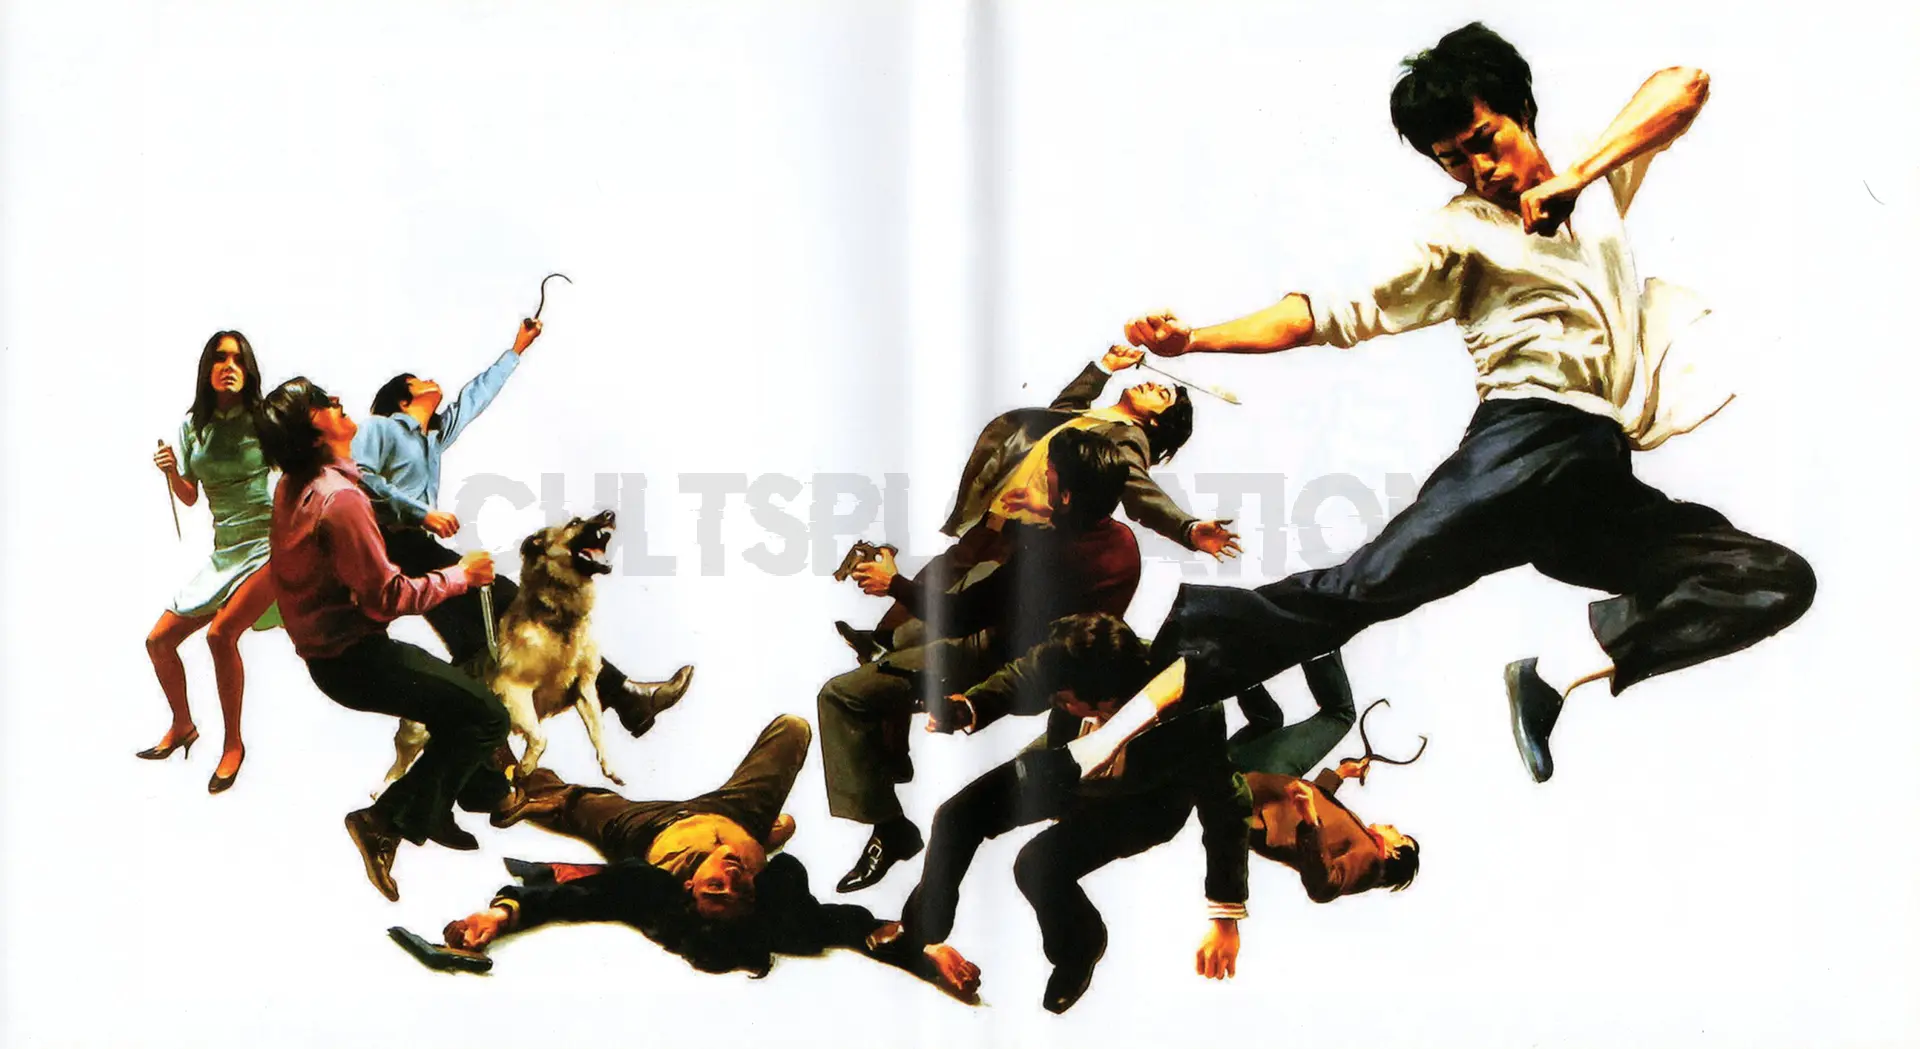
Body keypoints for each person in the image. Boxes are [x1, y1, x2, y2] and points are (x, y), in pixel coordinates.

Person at [1113, 23, 1815, 781]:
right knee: (1361, 590)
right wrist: (1196, 339)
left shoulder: (1595, 179)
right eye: (1455, 160)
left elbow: (1686, 84)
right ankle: (1130, 695)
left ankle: (1552, 675)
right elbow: (1324, 314)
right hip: (1522, 446)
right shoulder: (1457, 234)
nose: (1482, 170)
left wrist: (1578, 177)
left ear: (1523, 112)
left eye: (1487, 141)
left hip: (1593, 477)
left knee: (1768, 575)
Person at [437, 715, 982, 998]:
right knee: (794, 729)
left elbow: (572, 897)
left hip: (647, 825)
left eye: (715, 888)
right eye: (739, 888)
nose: (730, 876)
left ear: (688, 890)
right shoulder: (781, 913)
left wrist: (498, 915)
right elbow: (855, 927)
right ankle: (772, 833)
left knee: (565, 801)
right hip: (737, 814)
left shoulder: (650, 889)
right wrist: (926, 950)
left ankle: (507, 765)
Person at [818, 428, 1142, 893]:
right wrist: (1036, 517)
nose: (1041, 478)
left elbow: (963, 613)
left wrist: (894, 584)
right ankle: (891, 737)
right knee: (901, 637)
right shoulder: (1122, 541)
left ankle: (889, 828)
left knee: (842, 696)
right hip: (1037, 643)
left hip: (1003, 661)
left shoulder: (1052, 560)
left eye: (1049, 475)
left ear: (1069, 495)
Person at [884, 613, 1258, 1014]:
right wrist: (965, 708)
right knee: (957, 816)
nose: (1055, 703)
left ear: (1106, 699)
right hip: (1066, 765)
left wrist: (1225, 919)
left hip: (1142, 805)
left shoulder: (1193, 712)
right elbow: (1023, 677)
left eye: (1063, 700)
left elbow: (1227, 803)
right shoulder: (1073, 660)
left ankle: (1080, 949)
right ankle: (922, 931)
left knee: (1037, 865)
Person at [352, 316, 692, 737]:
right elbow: (360, 476)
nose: (431, 381)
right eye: (419, 381)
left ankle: (610, 705)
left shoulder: (431, 439)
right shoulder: (382, 428)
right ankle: (625, 696)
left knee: (476, 642)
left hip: (414, 550)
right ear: (404, 400)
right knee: (510, 605)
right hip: (394, 546)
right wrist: (421, 513)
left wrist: (517, 348)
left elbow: (474, 397)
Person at [255, 377, 515, 902]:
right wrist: (461, 576)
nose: (336, 401)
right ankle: (384, 820)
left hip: (330, 656)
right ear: (311, 434)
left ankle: (446, 806)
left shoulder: (297, 484)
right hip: (356, 659)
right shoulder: (341, 500)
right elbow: (387, 598)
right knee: (489, 716)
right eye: (321, 403)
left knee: (451, 703)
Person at [837, 344, 1238, 662]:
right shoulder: (1098, 418)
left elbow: (1137, 488)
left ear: (1156, 422)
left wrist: (1186, 528)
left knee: (968, 602)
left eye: (1162, 394)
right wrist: (1105, 367)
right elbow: (1059, 411)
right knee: (940, 574)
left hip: (1032, 530)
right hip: (998, 518)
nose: (1152, 384)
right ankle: (881, 641)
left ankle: (902, 659)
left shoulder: (1126, 439)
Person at [139, 331, 280, 794]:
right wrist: (171, 472)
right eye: (220, 359)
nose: (229, 366)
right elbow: (189, 496)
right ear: (207, 370)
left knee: (221, 636)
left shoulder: (266, 418)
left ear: (248, 369)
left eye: (237, 359)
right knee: (159, 641)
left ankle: (233, 744)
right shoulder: (192, 427)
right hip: (226, 552)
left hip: (269, 546)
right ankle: (183, 725)